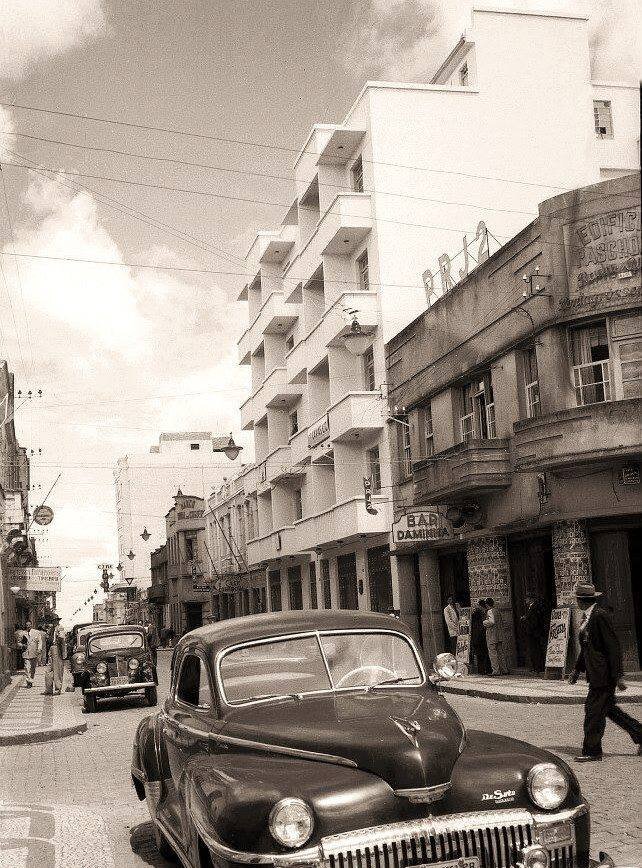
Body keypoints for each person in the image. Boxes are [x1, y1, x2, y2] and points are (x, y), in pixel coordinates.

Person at [568, 582, 641, 762]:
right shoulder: (588, 617)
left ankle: (592, 751)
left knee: (593, 712)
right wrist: (577, 670)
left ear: (581, 600)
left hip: (604, 675)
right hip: (596, 673)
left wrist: (618, 676)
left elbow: (612, 647)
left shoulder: (600, 616)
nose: (576, 601)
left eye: (577, 599)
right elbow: (587, 647)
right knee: (608, 710)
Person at [521, 595, 546, 674]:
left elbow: (535, 620)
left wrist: (526, 621)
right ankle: (537, 667)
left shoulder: (535, 607)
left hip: (534, 633)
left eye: (527, 598)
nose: (525, 600)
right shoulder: (531, 607)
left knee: (535, 650)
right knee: (534, 649)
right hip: (533, 632)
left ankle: (538, 668)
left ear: (531, 599)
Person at [484, 597, 508, 676]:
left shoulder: (490, 611)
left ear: (487, 605)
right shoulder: (497, 611)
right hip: (499, 635)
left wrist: (484, 622)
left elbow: (491, 622)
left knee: (493, 654)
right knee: (500, 653)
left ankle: (496, 671)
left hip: (492, 635)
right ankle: (504, 669)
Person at [44, 615, 67, 695]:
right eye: (53, 620)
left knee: (57, 670)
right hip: (51, 649)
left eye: (55, 620)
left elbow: (62, 637)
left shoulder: (60, 628)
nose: (54, 621)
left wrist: (57, 643)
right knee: (48, 670)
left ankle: (58, 689)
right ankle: (49, 689)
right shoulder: (52, 629)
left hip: (56, 648)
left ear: (58, 621)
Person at [470, 600, 490, 675]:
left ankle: (482, 670)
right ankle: (486, 670)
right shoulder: (482, 613)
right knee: (484, 653)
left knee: (480, 654)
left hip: (478, 636)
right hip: (481, 636)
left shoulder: (477, 613)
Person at [23, 621, 42, 688]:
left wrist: (39, 649)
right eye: (27, 625)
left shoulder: (36, 632)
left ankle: (31, 679)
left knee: (33, 668)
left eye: (29, 625)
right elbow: (19, 642)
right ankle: (28, 681)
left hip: (34, 652)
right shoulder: (23, 633)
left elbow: (40, 641)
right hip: (26, 652)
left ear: (31, 625)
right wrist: (22, 645)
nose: (28, 626)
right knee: (27, 668)